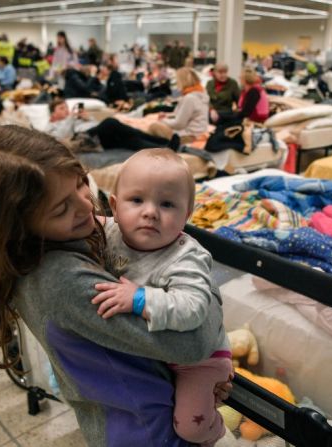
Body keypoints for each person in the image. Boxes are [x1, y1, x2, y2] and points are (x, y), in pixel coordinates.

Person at [0, 125, 229, 446]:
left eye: (81, 183)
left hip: (144, 410)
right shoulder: (61, 280)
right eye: (61, 208)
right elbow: (193, 345)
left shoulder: (50, 243)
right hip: (148, 428)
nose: (87, 206)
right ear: (16, 225)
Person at [94, 149, 233, 445]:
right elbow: (86, 224)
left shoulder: (186, 256)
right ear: (115, 207)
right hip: (157, 353)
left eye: (167, 204)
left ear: (187, 215)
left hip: (201, 361)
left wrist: (140, 299)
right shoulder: (109, 231)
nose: (150, 212)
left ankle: (218, 430)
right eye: (137, 200)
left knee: (190, 428)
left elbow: (193, 308)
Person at [46, 98, 180, 151]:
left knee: (130, 139)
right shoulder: (51, 126)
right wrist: (71, 118)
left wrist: (88, 118)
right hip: (83, 140)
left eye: (66, 107)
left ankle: (164, 147)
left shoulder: (75, 118)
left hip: (96, 136)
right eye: (61, 108)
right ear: (52, 113)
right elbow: (63, 137)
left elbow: (97, 125)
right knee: (110, 122)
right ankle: (162, 143)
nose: (66, 110)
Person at [148, 67, 209, 144]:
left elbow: (179, 124)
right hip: (197, 133)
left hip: (188, 136)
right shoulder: (200, 94)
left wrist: (163, 121)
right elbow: (184, 115)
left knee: (153, 127)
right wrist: (167, 116)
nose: (176, 83)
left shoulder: (189, 98)